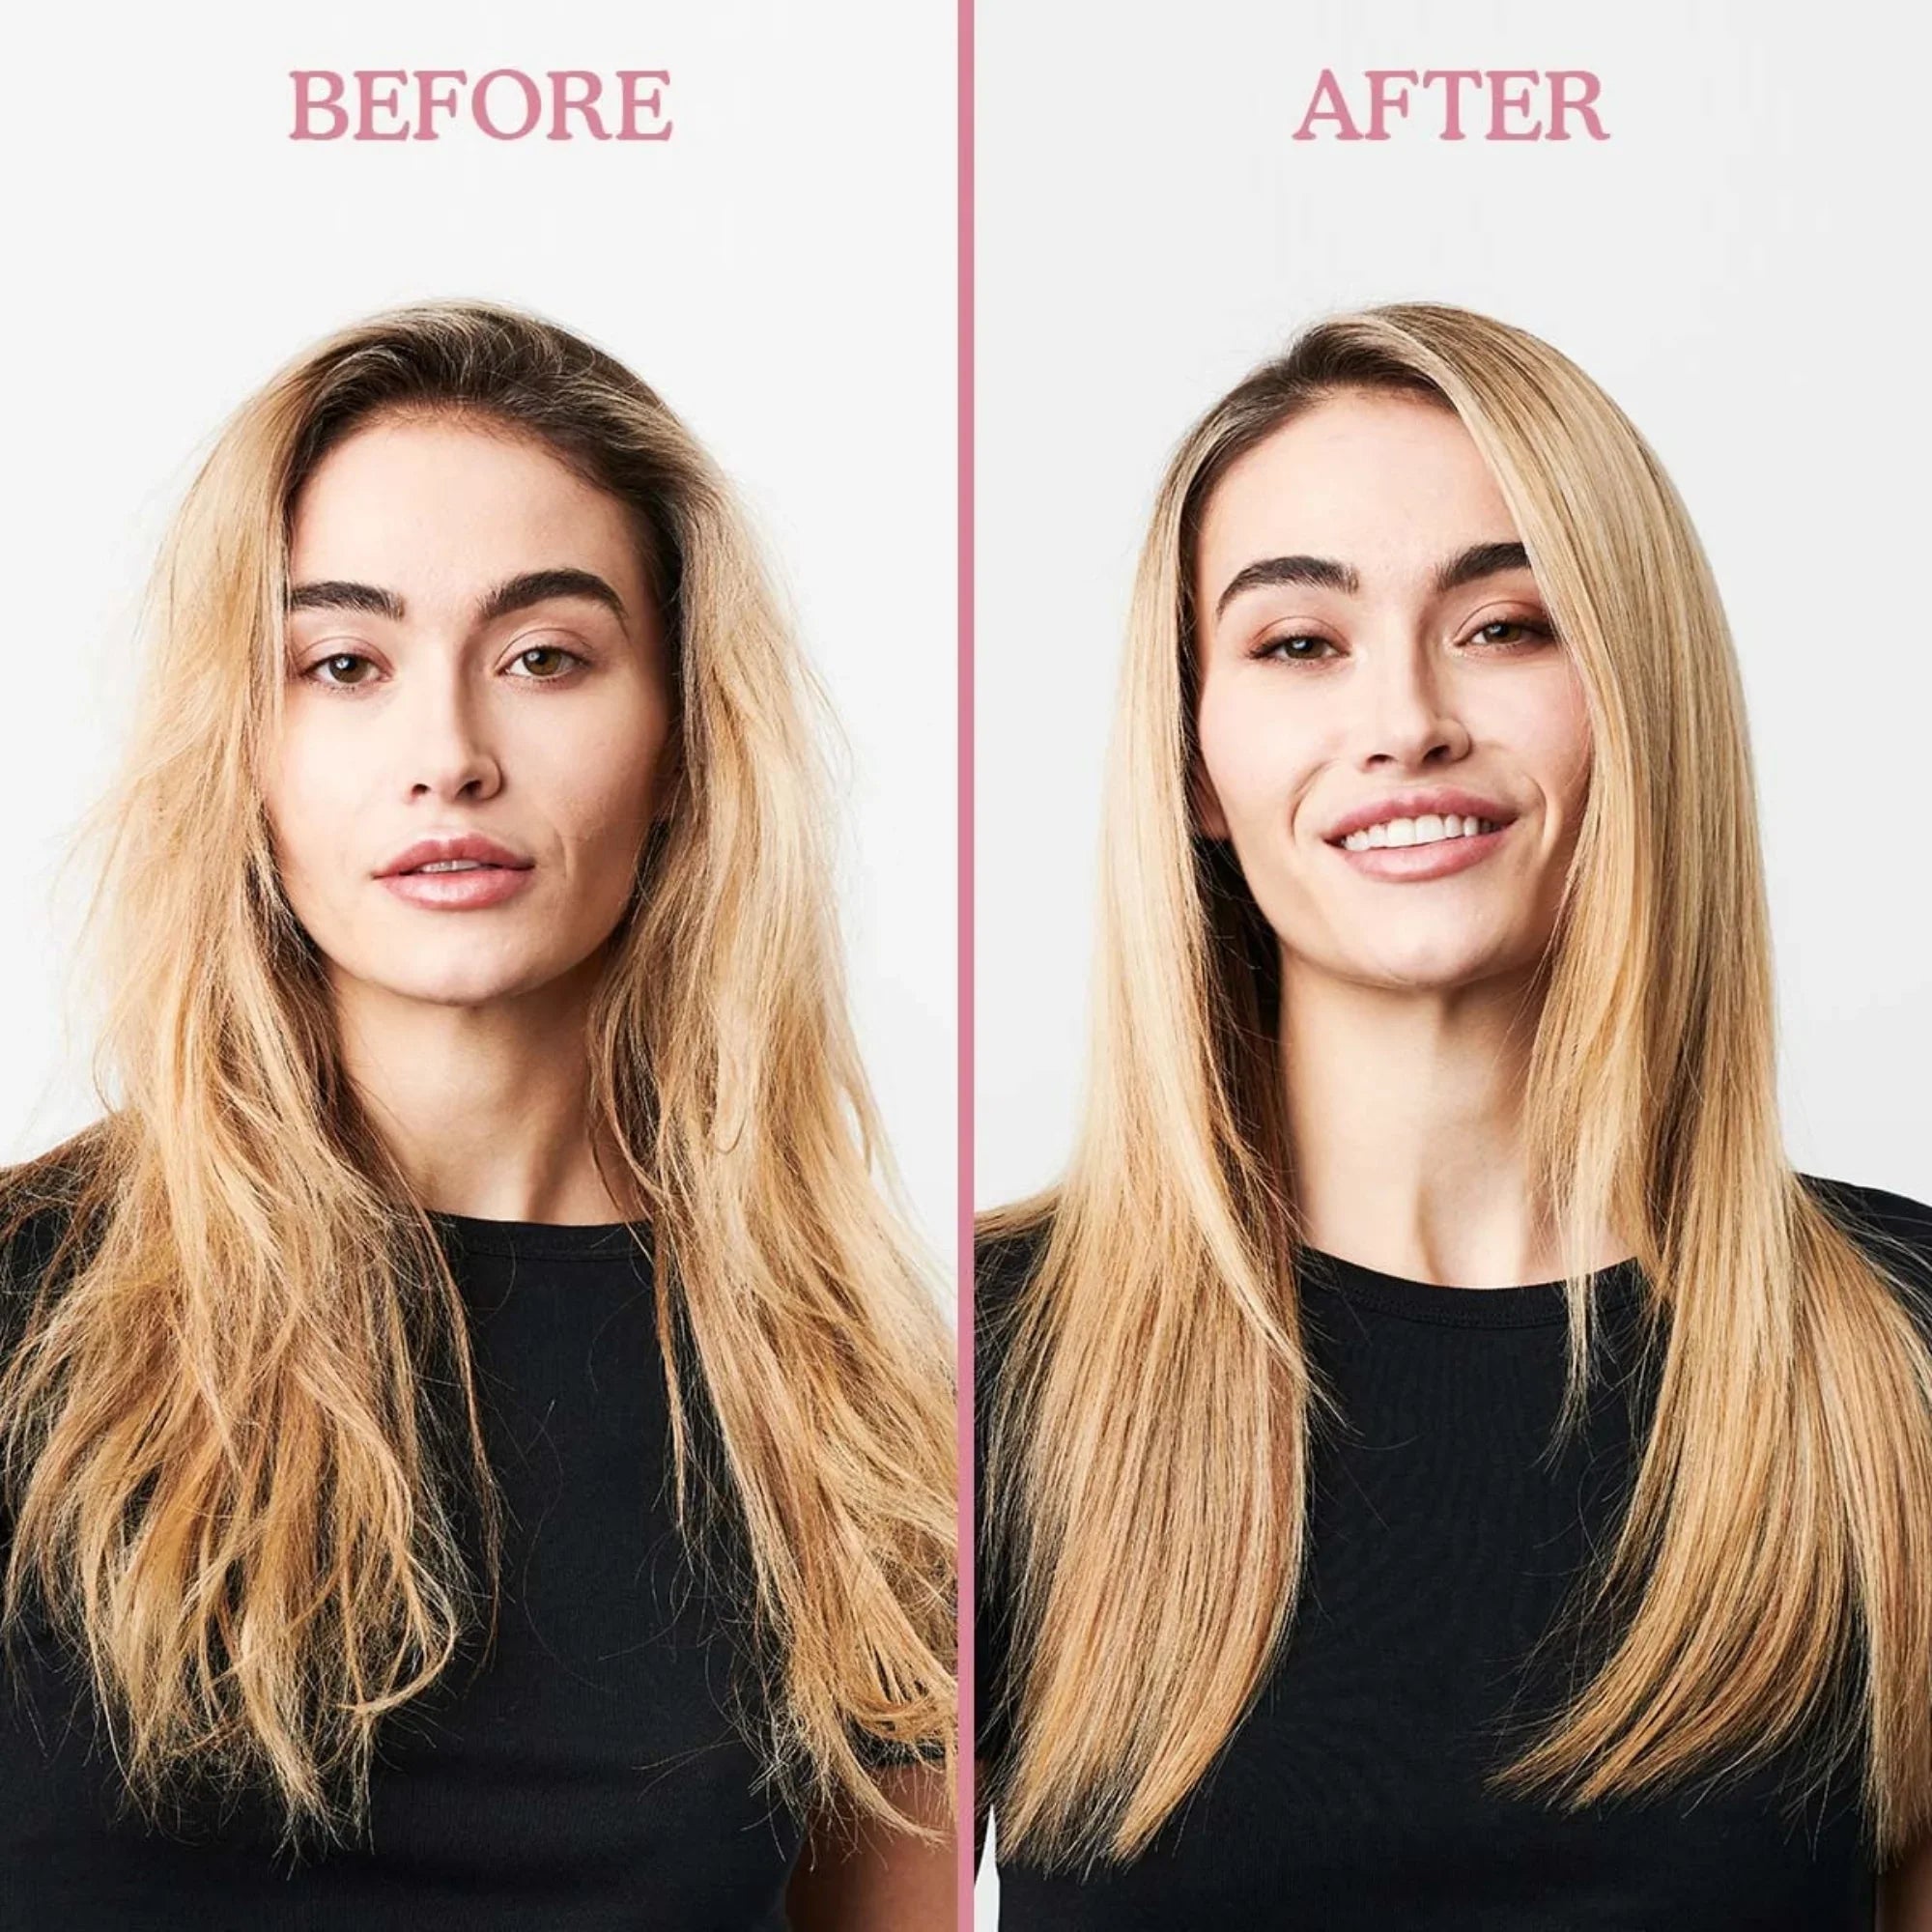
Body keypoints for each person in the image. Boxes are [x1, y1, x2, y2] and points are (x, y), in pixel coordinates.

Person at [0, 299, 956, 1931]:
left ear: (679, 744)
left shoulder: (854, 1416)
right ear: (250, 748)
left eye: (543, 658)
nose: (448, 753)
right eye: (345, 663)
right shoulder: (28, 1310)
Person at [975, 303, 1932, 1929]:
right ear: (1198, 760)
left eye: (1505, 625)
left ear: (1638, 693)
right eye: (1298, 643)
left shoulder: (1897, 1351)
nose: (1405, 717)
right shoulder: (973, 1370)